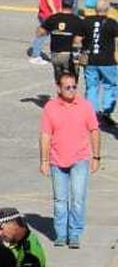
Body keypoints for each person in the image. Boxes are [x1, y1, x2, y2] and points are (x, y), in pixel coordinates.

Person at [39, 72, 101, 249]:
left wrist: (96, 156)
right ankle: (61, 234)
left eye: (74, 86)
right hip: (57, 160)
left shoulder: (85, 106)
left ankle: (74, 233)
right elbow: (45, 135)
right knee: (60, 200)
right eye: (67, 87)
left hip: (80, 159)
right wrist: (44, 160)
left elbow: (94, 131)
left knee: (78, 199)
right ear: (59, 88)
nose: (72, 90)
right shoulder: (50, 107)